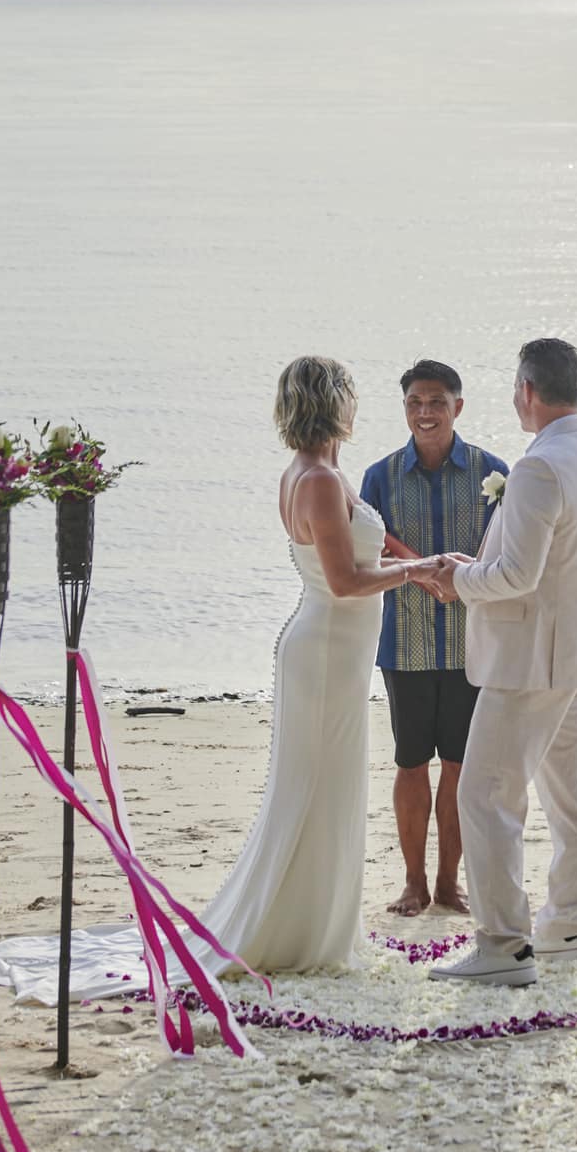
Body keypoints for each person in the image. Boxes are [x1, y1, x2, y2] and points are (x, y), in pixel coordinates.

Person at [203, 356, 428, 975]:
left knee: (330, 787)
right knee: (318, 789)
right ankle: (306, 931)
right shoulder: (318, 481)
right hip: (326, 651)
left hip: (335, 652)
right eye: (351, 394)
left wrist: (421, 562)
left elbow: (367, 554)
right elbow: (346, 580)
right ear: (335, 403)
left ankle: (322, 921)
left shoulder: (321, 472)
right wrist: (414, 574)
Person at [411, 338, 577, 988]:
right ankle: (565, 925)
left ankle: (503, 943)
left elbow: (520, 575)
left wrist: (459, 579)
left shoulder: (538, 467)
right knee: (570, 795)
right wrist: (474, 571)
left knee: (484, 796)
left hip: (528, 660)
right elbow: (553, 568)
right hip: (573, 653)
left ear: (528, 390)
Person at [361, 360, 507, 918]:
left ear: (457, 407)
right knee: (410, 761)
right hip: (407, 643)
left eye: (437, 402)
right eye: (416, 403)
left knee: (462, 766)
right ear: (405, 409)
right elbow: (365, 549)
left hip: (476, 643)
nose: (426, 413)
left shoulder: (493, 472)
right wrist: (424, 569)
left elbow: (507, 551)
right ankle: (413, 883)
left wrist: (463, 581)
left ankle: (449, 882)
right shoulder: (380, 476)